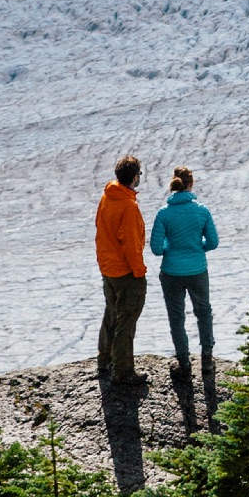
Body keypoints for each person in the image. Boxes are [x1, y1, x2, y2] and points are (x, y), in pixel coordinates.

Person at [148, 165, 220, 380]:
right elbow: (213, 242)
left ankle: (184, 363)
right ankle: (207, 358)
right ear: (191, 184)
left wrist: (173, 250)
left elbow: (156, 248)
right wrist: (197, 249)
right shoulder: (201, 210)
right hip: (197, 269)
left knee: (176, 316)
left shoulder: (164, 214)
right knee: (203, 311)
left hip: (171, 272)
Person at [94, 155, 149, 387]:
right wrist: (139, 272)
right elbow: (132, 245)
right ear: (134, 177)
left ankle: (104, 361)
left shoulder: (107, 196)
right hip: (126, 272)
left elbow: (100, 228)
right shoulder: (129, 206)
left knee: (111, 314)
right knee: (126, 321)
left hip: (108, 268)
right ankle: (123, 371)